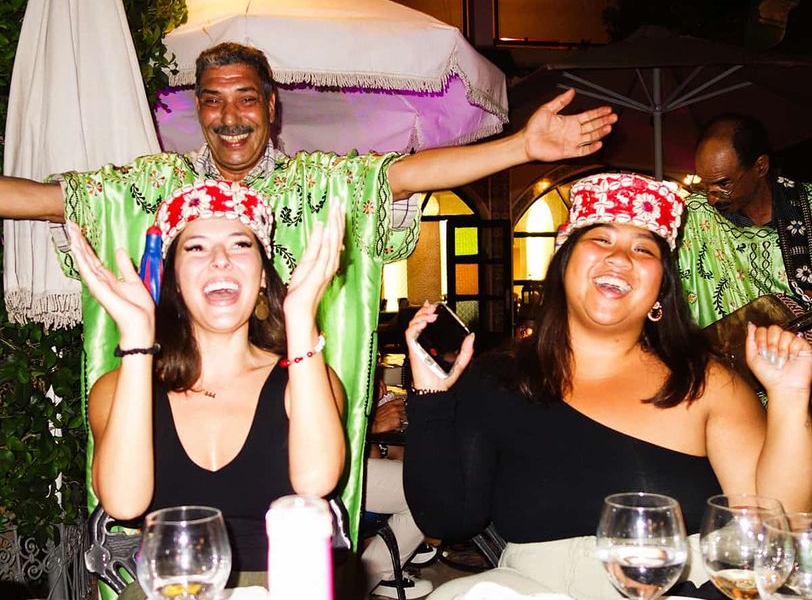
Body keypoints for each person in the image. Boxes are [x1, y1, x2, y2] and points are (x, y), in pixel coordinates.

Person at [0, 42, 617, 537]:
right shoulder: (151, 187)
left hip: (291, 404)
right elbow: (42, 199)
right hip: (165, 400)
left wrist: (521, 149)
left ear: (272, 105)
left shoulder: (317, 187)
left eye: (245, 97)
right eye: (213, 101)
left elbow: (402, 176)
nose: (230, 115)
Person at [403, 172, 812, 600]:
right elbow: (447, 520)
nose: (619, 258)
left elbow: (773, 523)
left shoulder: (706, 383)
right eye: (600, 239)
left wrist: (789, 397)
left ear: (661, 292)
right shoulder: (497, 378)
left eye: (643, 248)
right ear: (563, 265)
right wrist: (431, 400)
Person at [68, 180, 346, 573]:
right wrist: (135, 340)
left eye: (240, 244)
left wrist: (299, 316)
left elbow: (316, 483)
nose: (219, 260)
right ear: (175, 282)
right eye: (196, 247)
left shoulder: (304, 380)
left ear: (263, 276)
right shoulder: (119, 389)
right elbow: (123, 503)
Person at [678, 114, 812, 328]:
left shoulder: (806, 206)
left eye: (724, 183)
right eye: (706, 185)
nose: (712, 198)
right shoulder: (693, 216)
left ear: (760, 166)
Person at [363, 377, 433, 600]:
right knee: (426, 489)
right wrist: (372, 425)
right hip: (305, 474)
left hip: (346, 465)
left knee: (428, 483)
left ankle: (390, 557)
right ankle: (370, 577)